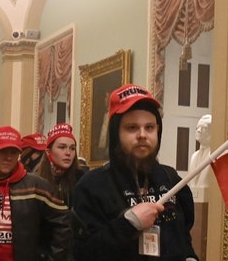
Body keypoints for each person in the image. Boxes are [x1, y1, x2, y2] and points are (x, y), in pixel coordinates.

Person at [72, 83, 198, 260]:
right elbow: (83, 253)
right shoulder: (91, 186)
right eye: (132, 127)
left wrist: (190, 257)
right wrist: (128, 224)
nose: (142, 135)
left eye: (150, 127)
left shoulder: (171, 180)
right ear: (116, 133)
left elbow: (183, 237)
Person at [0, 125, 71, 260]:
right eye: (2, 151)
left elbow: (62, 225)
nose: (8, 157)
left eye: (13, 152)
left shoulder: (37, 186)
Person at [34, 123, 83, 207]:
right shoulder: (35, 181)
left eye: (72, 148)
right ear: (48, 152)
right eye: (62, 147)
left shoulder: (82, 179)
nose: (68, 153)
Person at [189, 114, 211, 187]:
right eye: (198, 127)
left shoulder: (215, 154)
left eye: (203, 128)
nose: (199, 130)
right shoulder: (194, 156)